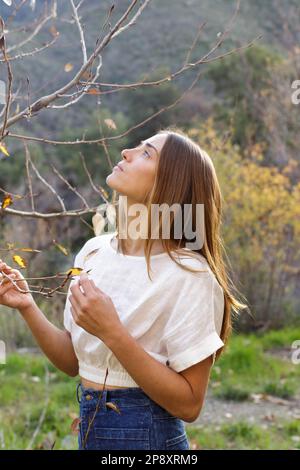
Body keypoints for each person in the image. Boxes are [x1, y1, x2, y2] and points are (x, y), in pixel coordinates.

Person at [0, 127, 247, 450]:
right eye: (135, 147)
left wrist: (113, 332)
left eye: (146, 153)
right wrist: (27, 306)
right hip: (92, 432)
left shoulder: (190, 275)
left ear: (170, 184)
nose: (125, 153)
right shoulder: (94, 251)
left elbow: (189, 405)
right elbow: (75, 361)